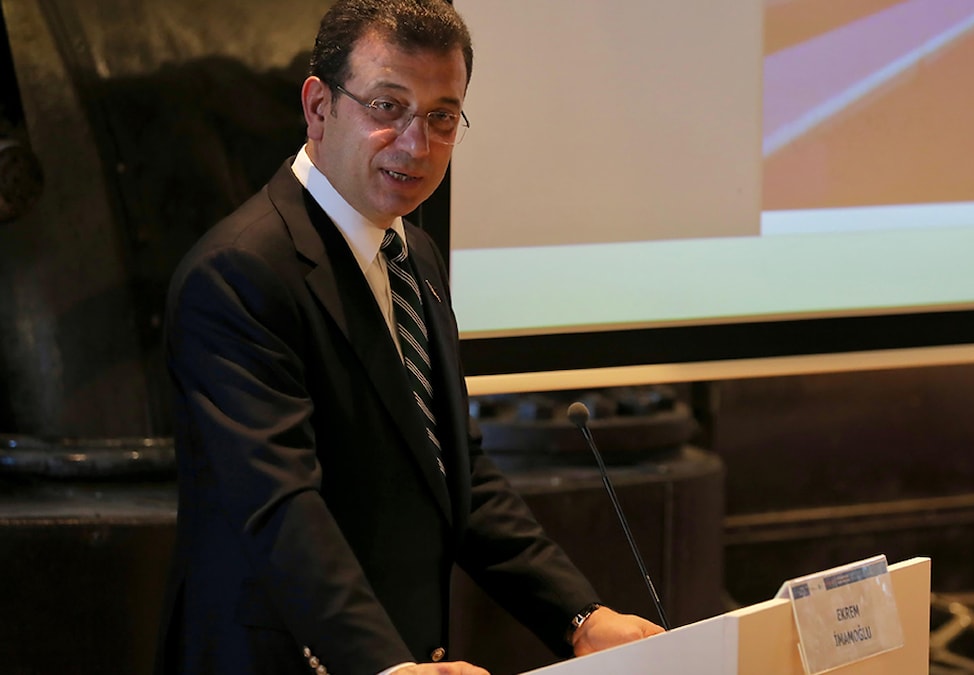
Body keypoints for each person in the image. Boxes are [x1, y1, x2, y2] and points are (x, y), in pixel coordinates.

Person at [153, 1, 664, 673]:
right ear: (318, 107)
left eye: (442, 117)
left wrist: (580, 617)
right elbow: (281, 508)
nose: (416, 145)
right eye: (386, 107)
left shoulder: (414, 254)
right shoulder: (238, 273)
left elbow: (454, 471)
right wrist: (385, 667)